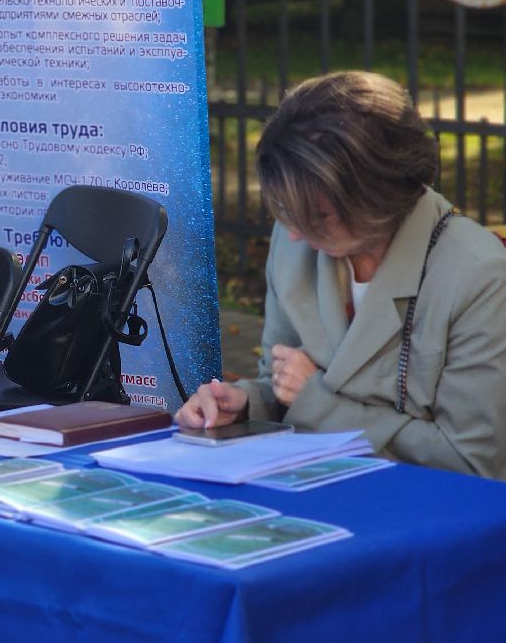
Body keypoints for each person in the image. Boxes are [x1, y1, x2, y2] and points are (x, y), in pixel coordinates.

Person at [175, 71, 506, 478]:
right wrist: (242, 404)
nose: (294, 232)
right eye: (286, 210)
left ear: (379, 196)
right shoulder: (297, 242)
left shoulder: (478, 275)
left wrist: (317, 402)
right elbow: (282, 386)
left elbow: (471, 462)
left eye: (318, 215)